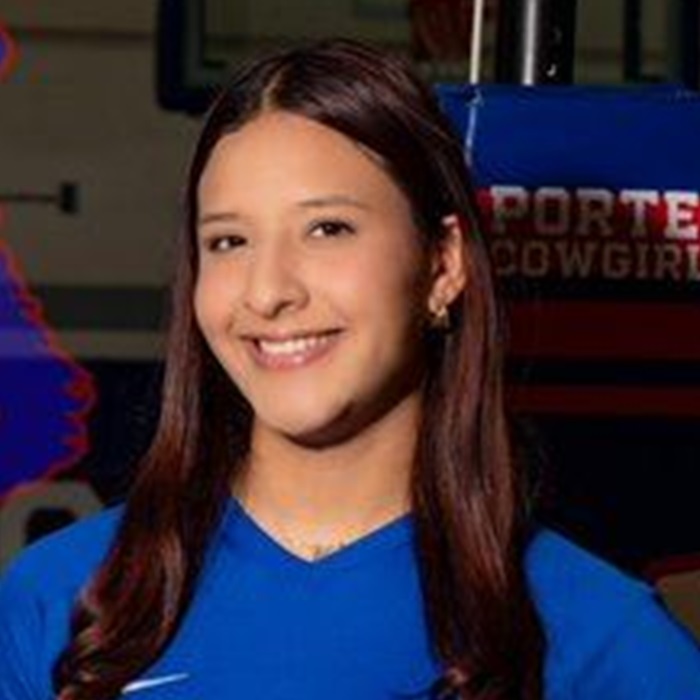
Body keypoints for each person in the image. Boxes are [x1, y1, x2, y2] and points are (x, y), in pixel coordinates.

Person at [1, 38, 699, 700]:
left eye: (327, 228)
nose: (267, 291)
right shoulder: (61, 604)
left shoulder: (597, 639)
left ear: (443, 265)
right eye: (229, 241)